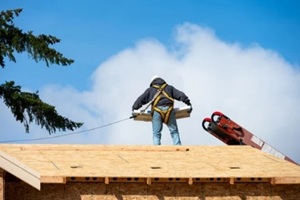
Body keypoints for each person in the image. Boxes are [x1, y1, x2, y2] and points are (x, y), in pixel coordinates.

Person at [132, 75, 192, 145]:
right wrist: (188, 103)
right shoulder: (169, 88)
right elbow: (181, 95)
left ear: (152, 83)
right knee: (174, 132)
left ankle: (157, 151)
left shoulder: (150, 90)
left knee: (156, 134)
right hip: (169, 111)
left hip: (157, 112)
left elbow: (140, 99)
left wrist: (134, 108)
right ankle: (178, 147)